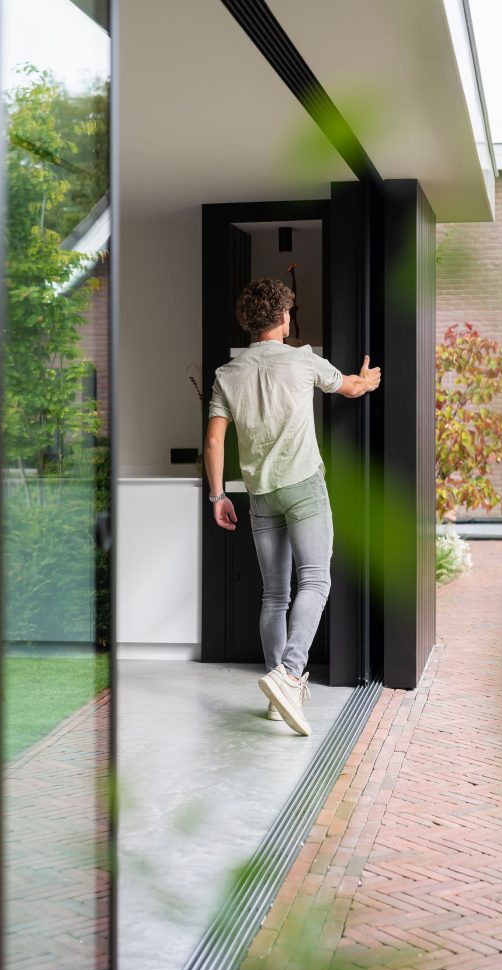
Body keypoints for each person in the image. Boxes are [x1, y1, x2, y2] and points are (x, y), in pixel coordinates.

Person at [204, 277, 381, 737]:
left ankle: (274, 696)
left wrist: (218, 494)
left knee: (274, 596)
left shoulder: (227, 374)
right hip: (303, 487)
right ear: (283, 318)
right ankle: (288, 675)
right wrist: (369, 380)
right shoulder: (304, 360)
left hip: (259, 493)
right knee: (316, 580)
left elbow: (214, 439)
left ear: (249, 323)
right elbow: (349, 388)